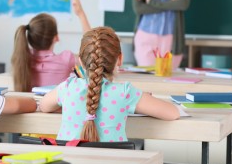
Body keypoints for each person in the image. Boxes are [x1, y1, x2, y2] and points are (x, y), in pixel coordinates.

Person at [39, 26, 180, 142]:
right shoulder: (125, 93)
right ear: (120, 59)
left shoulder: (68, 87)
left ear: (81, 62)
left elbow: (44, 106)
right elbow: (172, 113)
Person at [11, 0, 91, 92]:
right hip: (56, 108)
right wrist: (80, 13)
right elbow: (91, 54)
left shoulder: (22, 59)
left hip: (29, 108)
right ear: (56, 38)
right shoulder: (66, 60)